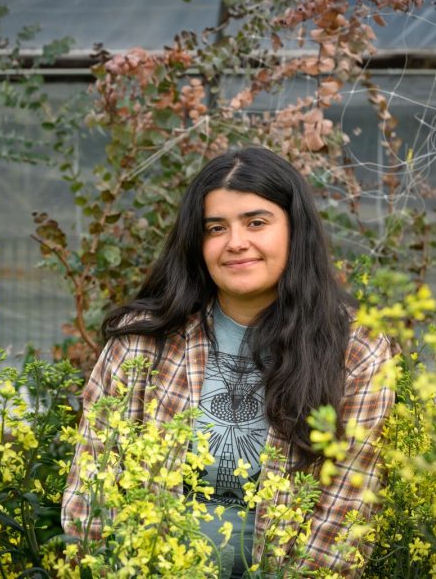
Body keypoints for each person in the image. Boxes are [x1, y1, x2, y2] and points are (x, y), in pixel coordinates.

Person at [62, 146, 398, 577]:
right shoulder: (142, 340)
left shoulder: (356, 349)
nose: (236, 242)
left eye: (256, 222)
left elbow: (343, 522)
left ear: (295, 230)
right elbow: (90, 493)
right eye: (216, 228)